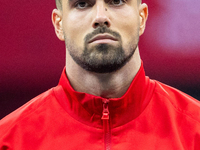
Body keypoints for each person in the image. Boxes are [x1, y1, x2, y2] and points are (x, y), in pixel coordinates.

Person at [0, 0, 200, 149]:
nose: (100, 17)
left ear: (142, 18)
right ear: (59, 24)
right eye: (82, 4)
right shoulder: (9, 140)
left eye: (116, 1)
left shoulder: (195, 132)